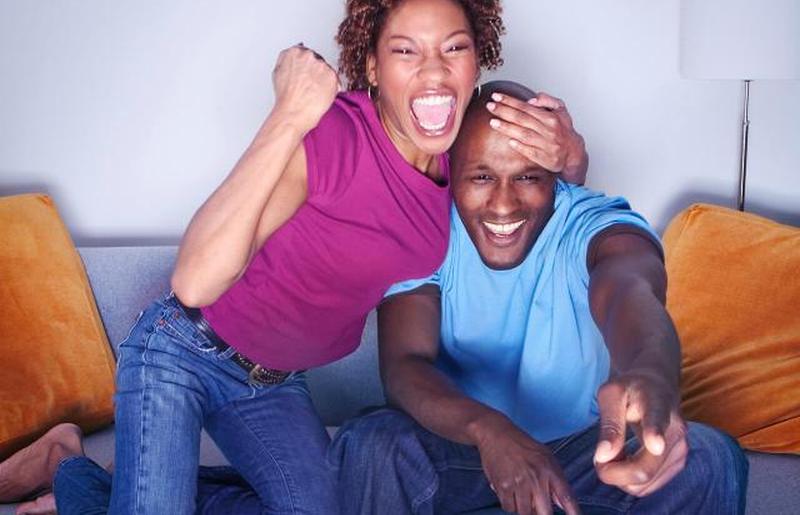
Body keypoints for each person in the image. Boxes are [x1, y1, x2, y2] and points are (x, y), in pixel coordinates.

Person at [0, 2, 590, 514]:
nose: (434, 70)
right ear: (372, 67)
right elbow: (194, 283)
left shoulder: (463, 156)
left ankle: (96, 481)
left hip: (273, 386)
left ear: (477, 61)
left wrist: (572, 153)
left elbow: (537, 201)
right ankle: (69, 469)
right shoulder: (333, 135)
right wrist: (287, 114)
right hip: (183, 353)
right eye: (406, 50)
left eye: (454, 48)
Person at [329, 80, 749, 515]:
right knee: (373, 443)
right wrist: (489, 431)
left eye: (527, 177)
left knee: (710, 458)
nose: (503, 205)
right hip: (460, 451)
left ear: (556, 180)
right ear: (452, 174)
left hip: (580, 456)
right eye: (481, 177)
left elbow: (631, 288)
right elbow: (404, 365)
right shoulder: (426, 228)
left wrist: (651, 371)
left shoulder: (588, 222)